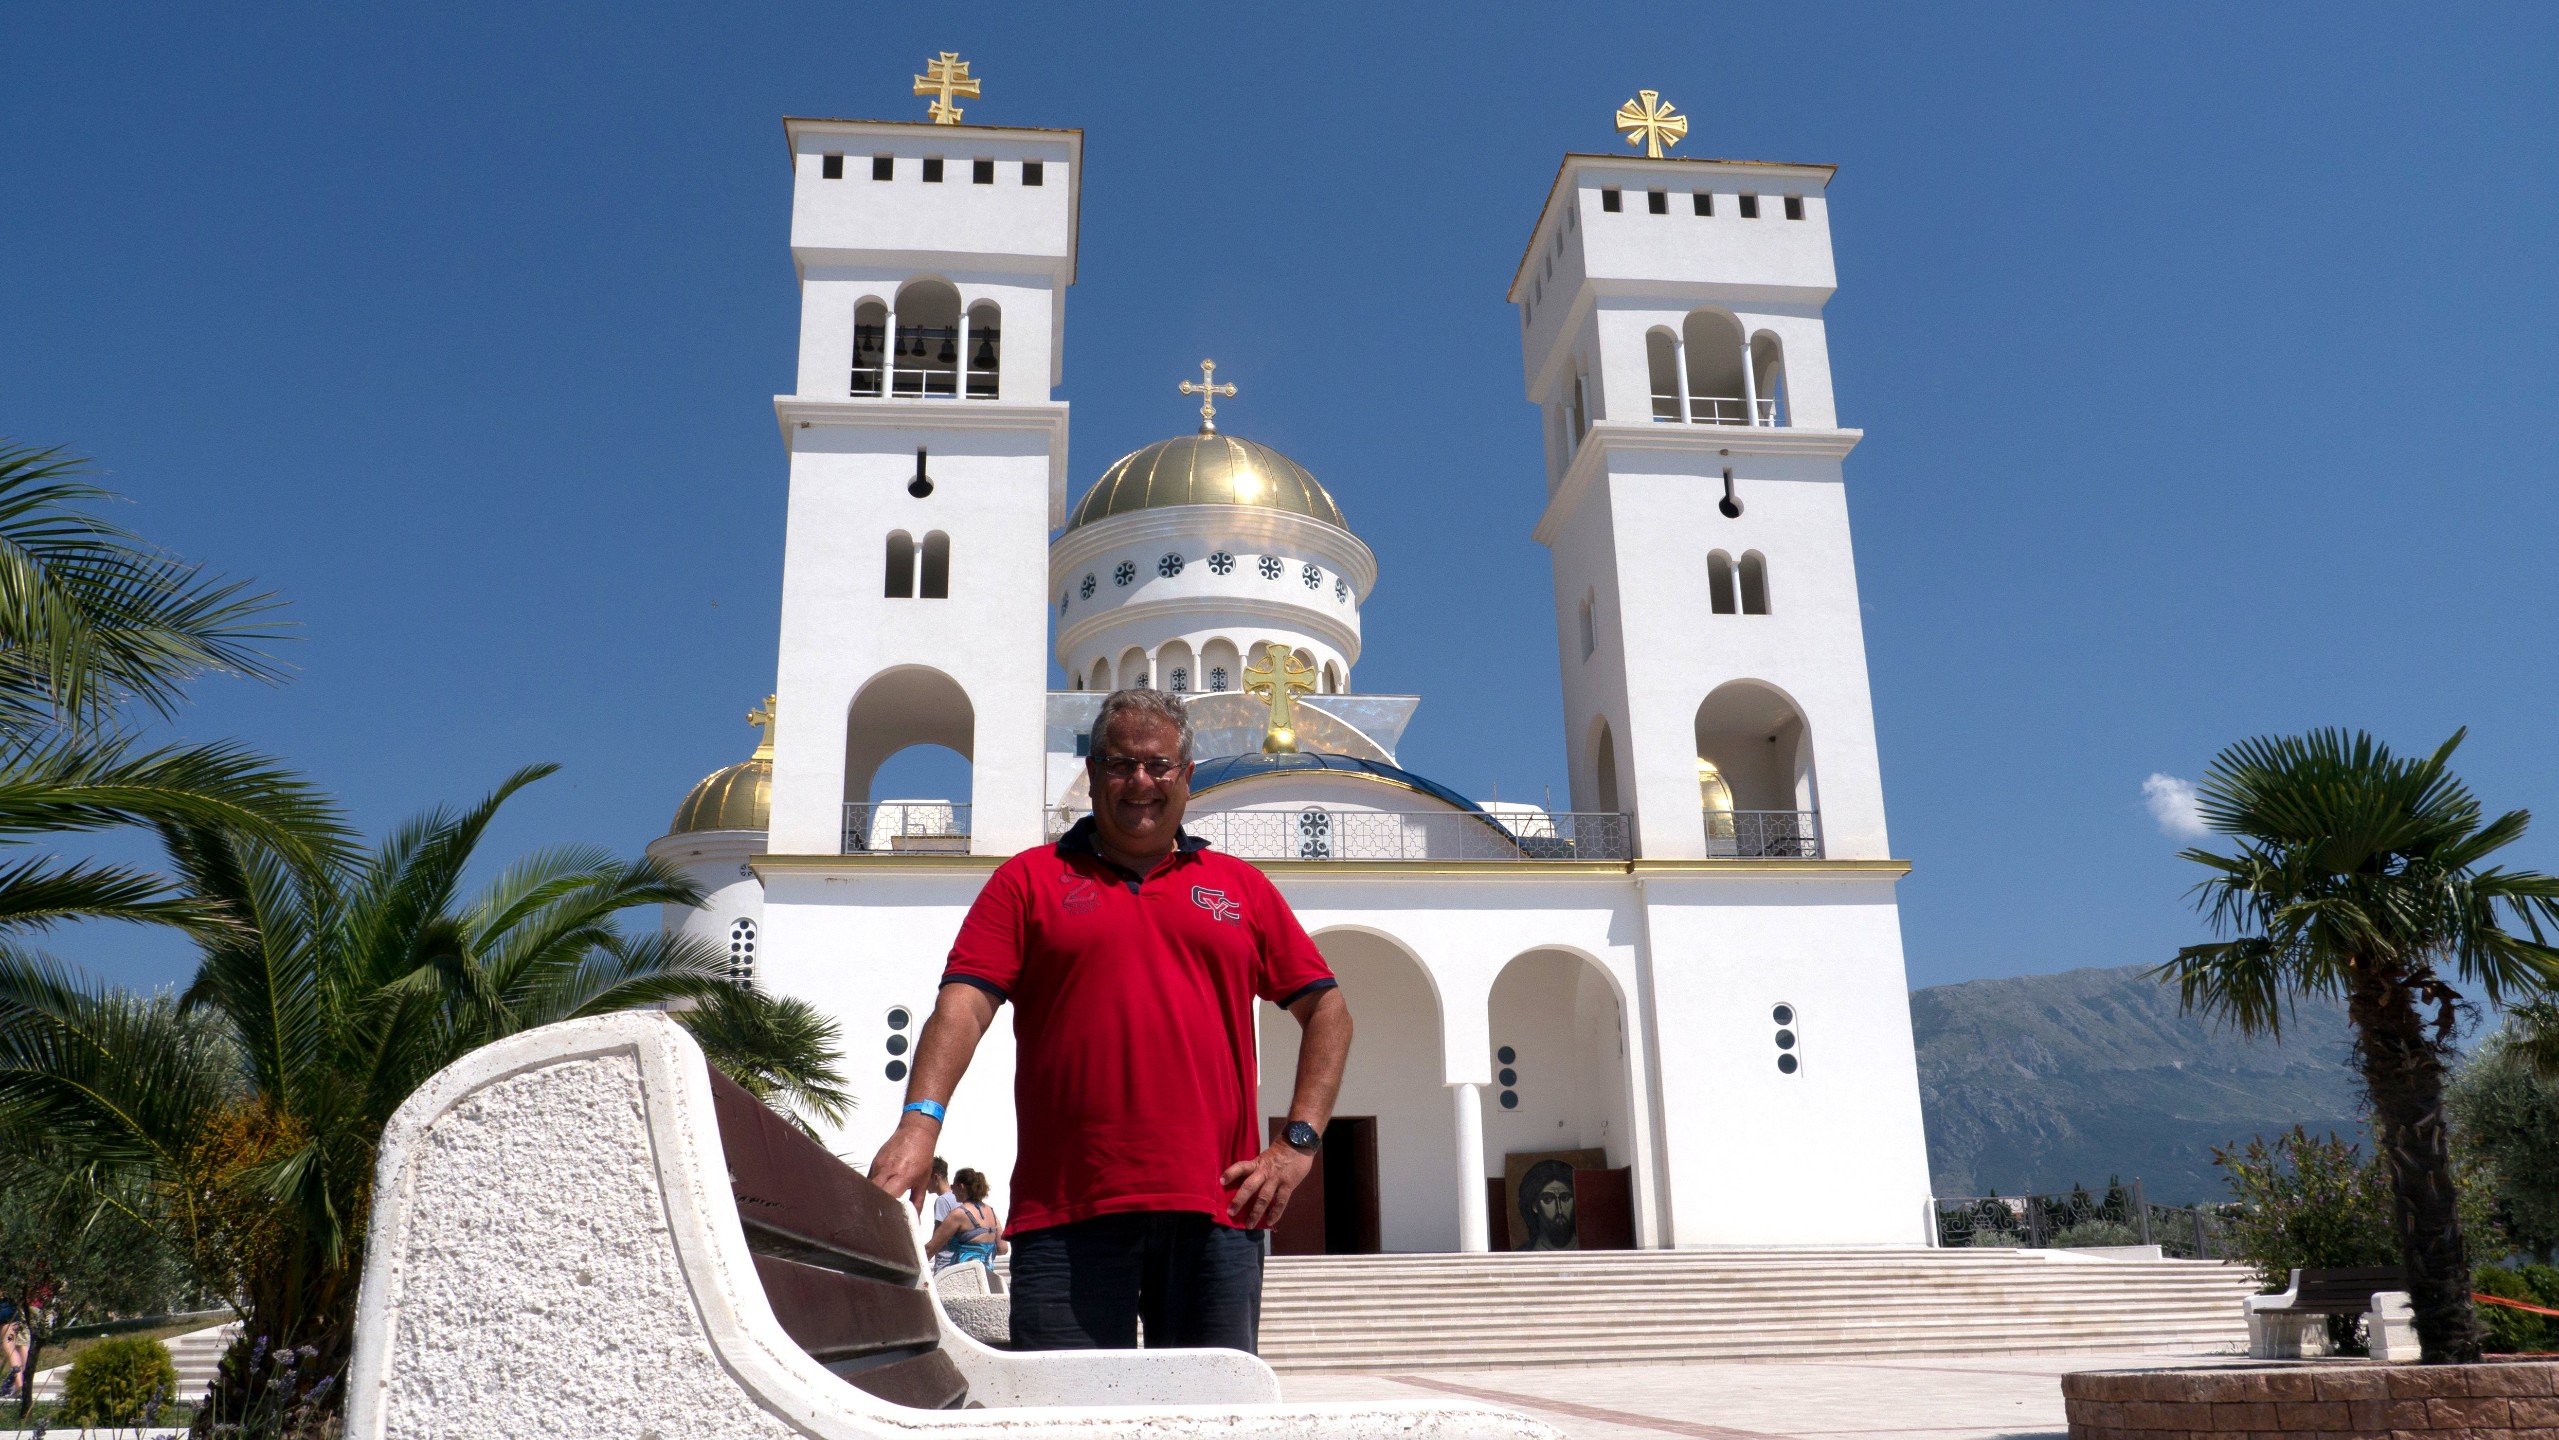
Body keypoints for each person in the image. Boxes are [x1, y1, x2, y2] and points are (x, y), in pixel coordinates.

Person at [868, 687, 1352, 1354]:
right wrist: (919, 1125)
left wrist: (1297, 1144)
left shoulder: (1240, 888)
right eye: (1122, 764)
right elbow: (964, 1005)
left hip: (1216, 1211)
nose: (1140, 782)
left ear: (1186, 775)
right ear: (1094, 773)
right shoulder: (1026, 882)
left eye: (1158, 765)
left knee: (1213, 1406)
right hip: (1067, 1211)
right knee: (1063, 1405)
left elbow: (1327, 1010)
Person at [927, 1167, 1006, 1273]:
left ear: (961, 1187)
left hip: (963, 1276)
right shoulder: (991, 1213)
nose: (952, 1191)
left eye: (953, 1187)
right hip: (987, 1276)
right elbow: (1003, 1248)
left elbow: (931, 1248)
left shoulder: (959, 1214)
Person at [1516, 1159, 1578, 1251]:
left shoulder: (1593, 1248)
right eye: (1548, 1199)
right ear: (1534, 1206)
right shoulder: (1521, 1255)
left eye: (1565, 1198)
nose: (1559, 1209)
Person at [929, 1156, 958, 1225]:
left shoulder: (942, 1200)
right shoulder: (958, 1196)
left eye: (926, 1178)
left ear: (935, 1177)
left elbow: (939, 1230)